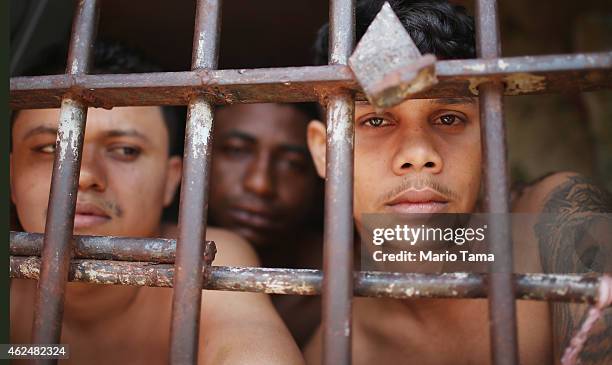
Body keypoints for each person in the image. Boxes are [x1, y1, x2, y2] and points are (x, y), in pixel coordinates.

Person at [304, 1, 611, 364]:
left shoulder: (555, 217)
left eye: (448, 118)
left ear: (491, 138)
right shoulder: (338, 347)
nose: (418, 154)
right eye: (376, 122)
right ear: (325, 152)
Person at [9, 42, 304, 365]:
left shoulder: (203, 256)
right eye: (49, 148)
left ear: (171, 180)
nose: (84, 175)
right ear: (10, 175)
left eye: (125, 150)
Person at [165, 102, 325, 348]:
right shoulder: (154, 266)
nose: (260, 183)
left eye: (293, 163)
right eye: (237, 151)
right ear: (192, 156)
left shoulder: (351, 276)